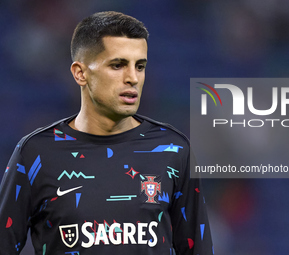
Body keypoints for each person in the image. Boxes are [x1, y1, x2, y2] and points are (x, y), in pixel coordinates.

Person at [0, 11, 213, 254]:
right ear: (81, 73)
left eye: (140, 66)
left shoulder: (174, 150)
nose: (133, 78)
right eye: (118, 65)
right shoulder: (35, 153)